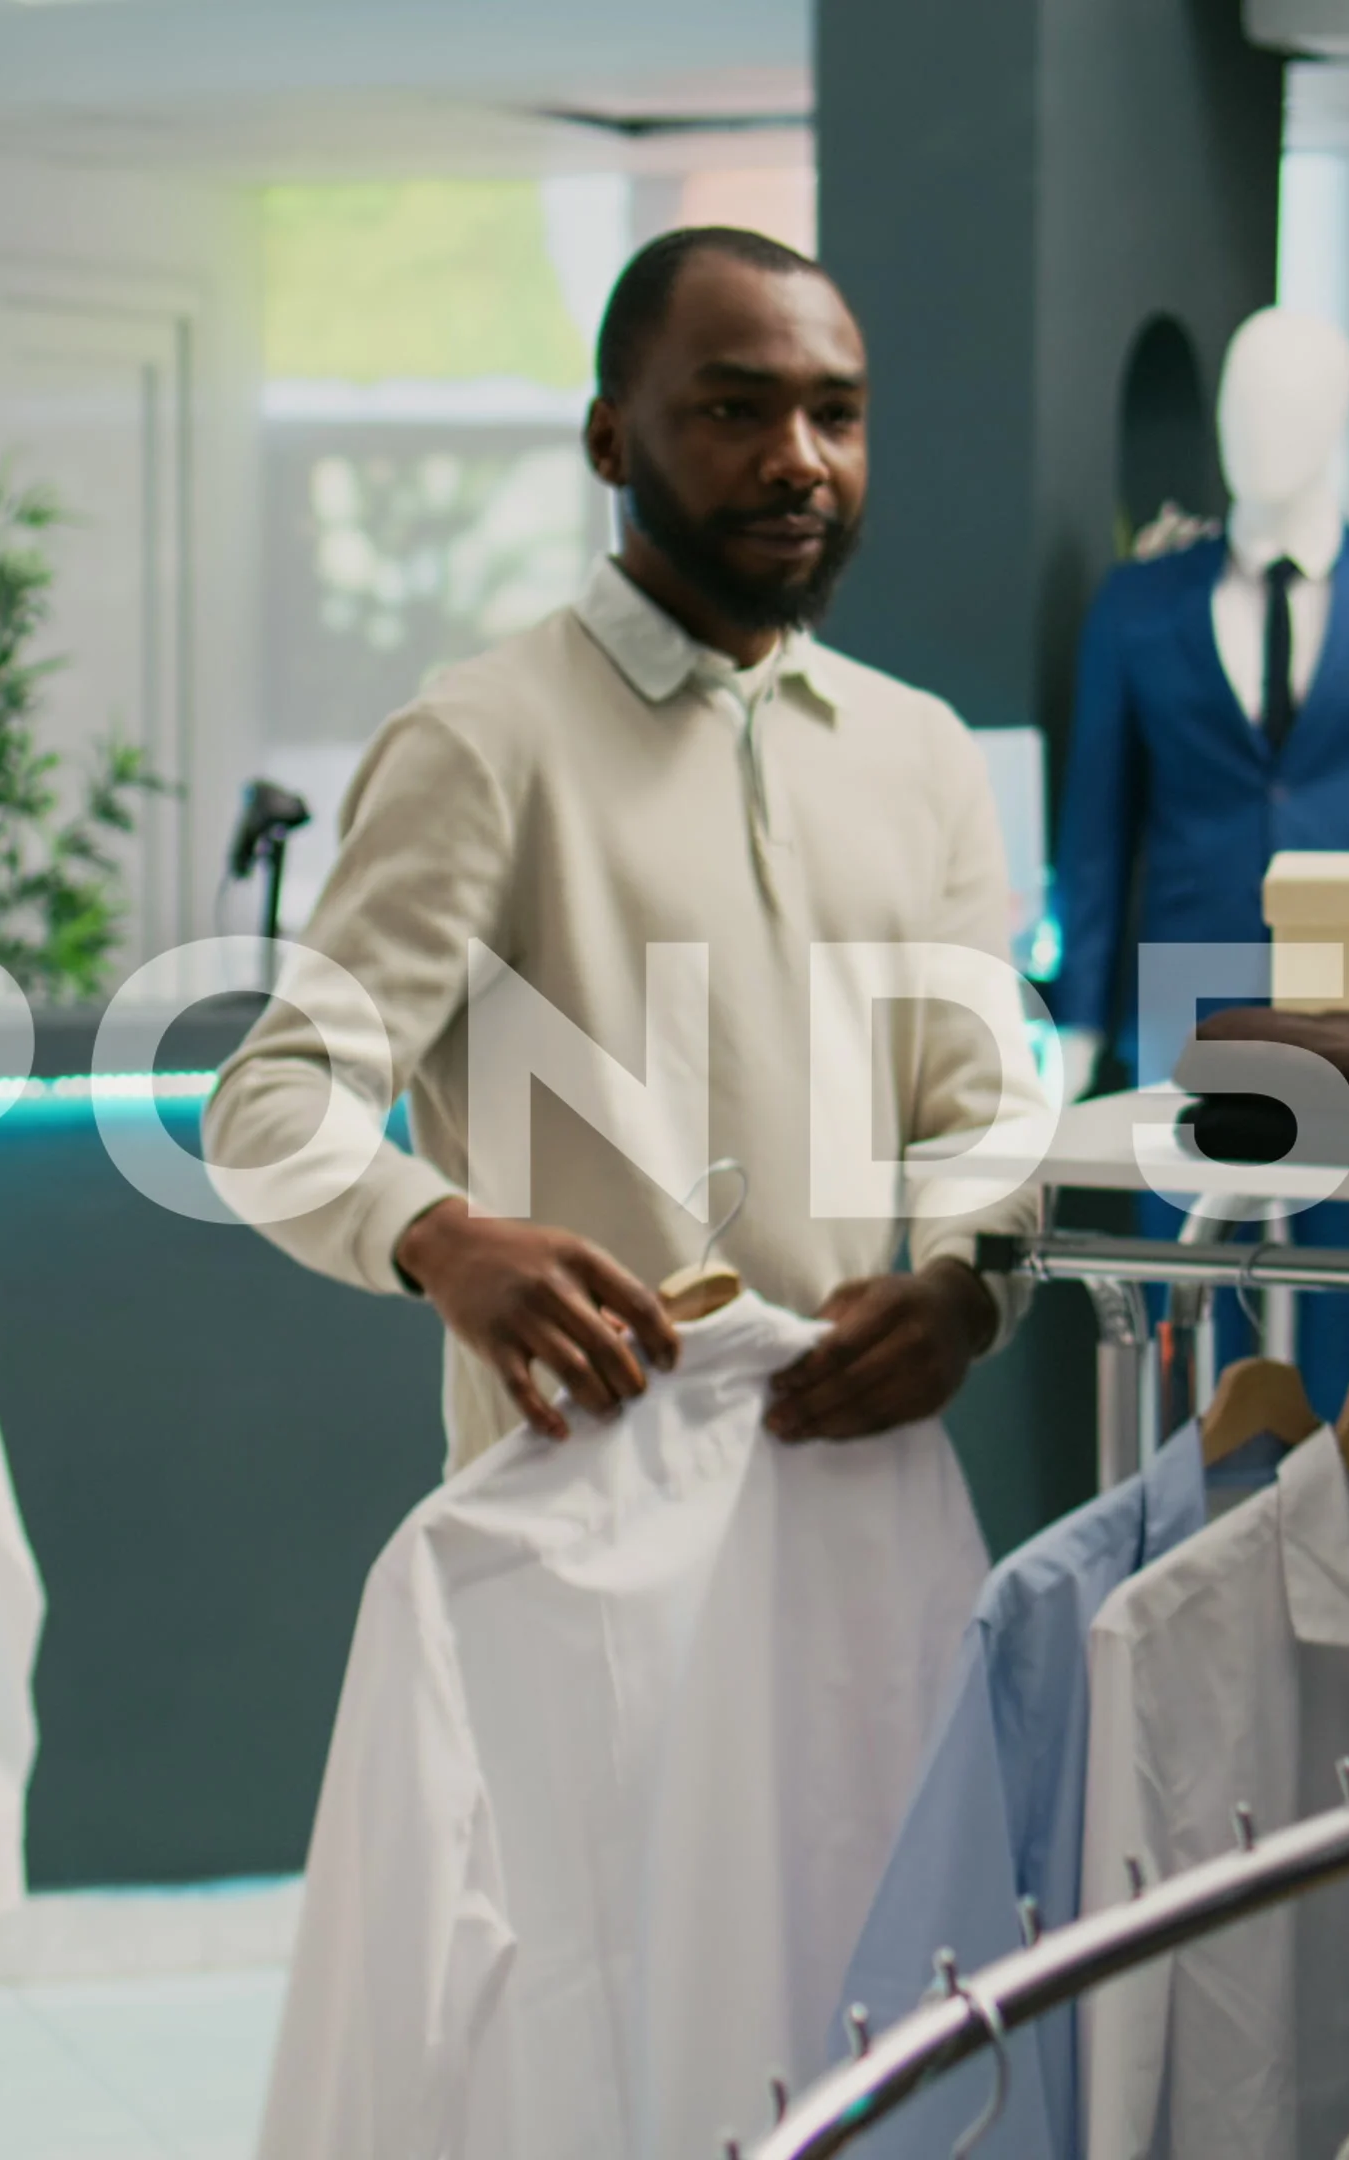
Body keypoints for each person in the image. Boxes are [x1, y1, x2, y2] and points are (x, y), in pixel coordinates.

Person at [206, 228, 1044, 1468]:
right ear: (611, 440)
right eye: (733, 410)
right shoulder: (485, 739)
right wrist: (436, 1237)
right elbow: (269, 1103)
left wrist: (967, 1295)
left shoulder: (922, 753)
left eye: (836, 416)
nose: (798, 461)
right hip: (572, 1525)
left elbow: (987, 1110)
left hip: (859, 1504)